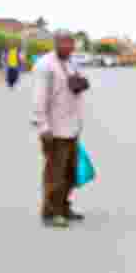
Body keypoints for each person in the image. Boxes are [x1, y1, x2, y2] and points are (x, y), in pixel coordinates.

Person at [32, 31, 87, 228]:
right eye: (65, 42)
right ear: (55, 43)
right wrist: (43, 126)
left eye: (71, 43)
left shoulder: (72, 63)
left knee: (70, 172)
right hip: (54, 128)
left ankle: (64, 206)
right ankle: (50, 212)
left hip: (72, 126)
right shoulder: (45, 66)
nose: (69, 46)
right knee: (55, 173)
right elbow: (39, 99)